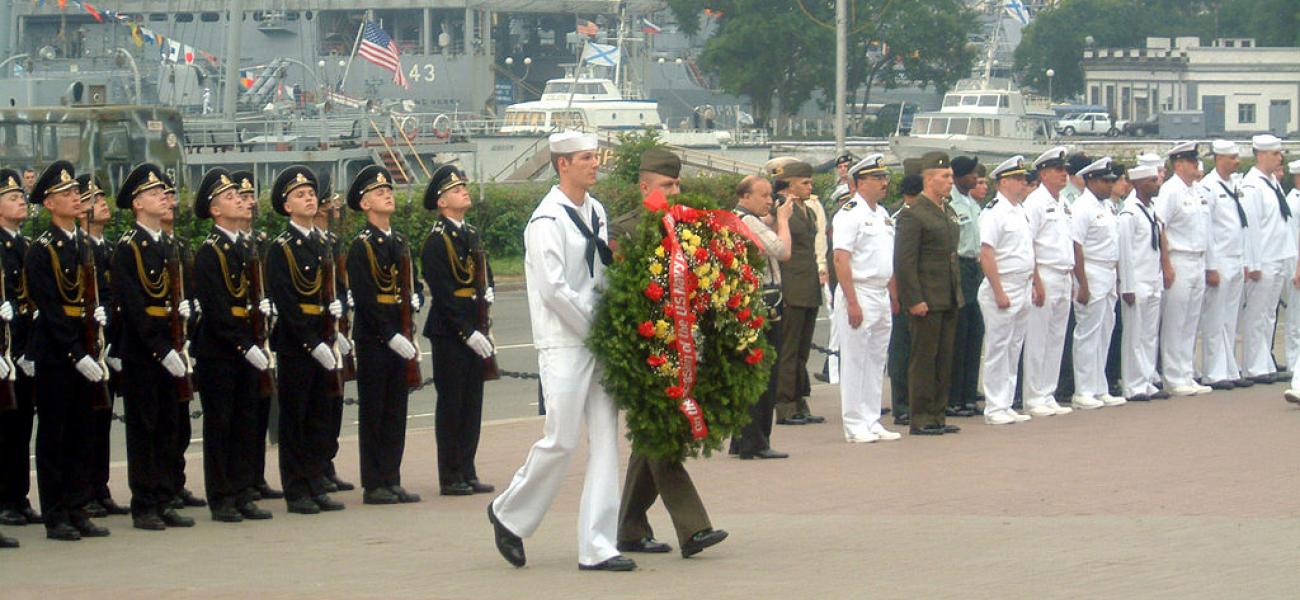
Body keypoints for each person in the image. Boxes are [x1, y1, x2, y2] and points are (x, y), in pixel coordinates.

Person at [488, 131, 634, 572]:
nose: (595, 164)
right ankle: (508, 512)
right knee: (561, 439)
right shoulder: (546, 221)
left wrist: (617, 321)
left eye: (595, 156)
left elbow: (603, 271)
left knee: (607, 440)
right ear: (562, 164)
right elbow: (553, 289)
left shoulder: (596, 211)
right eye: (586, 158)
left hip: (598, 337)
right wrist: (594, 329)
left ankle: (598, 545)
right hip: (565, 341)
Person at [615, 148, 728, 559]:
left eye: (678, 183)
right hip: (646, 349)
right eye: (667, 184)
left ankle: (628, 528)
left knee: (652, 436)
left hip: (683, 344)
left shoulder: (687, 228)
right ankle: (694, 527)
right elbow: (619, 296)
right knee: (660, 433)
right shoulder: (626, 231)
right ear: (645, 187)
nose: (675, 190)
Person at [26, 161, 110, 541]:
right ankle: (56, 513)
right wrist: (77, 354)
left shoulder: (83, 245)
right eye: (67, 194)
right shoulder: (42, 250)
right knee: (55, 435)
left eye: (77, 192)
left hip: (86, 350)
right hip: (58, 355)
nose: (76, 198)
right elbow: (52, 308)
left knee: (82, 432)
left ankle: (78, 507)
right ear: (48, 204)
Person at [110, 164, 195, 531]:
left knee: (168, 426)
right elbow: (134, 306)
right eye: (154, 193)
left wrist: (183, 337)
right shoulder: (129, 247)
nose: (163, 197)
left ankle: (164, 497)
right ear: (137, 203)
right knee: (145, 428)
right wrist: (162, 350)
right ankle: (144, 503)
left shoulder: (166, 245)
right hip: (144, 353)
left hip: (171, 348)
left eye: (164, 192)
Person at [190, 168, 275, 523]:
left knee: (245, 422)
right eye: (230, 198)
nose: (241, 201)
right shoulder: (211, 251)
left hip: (248, 347)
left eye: (240, 197)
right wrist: (244, 345)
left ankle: (242, 492)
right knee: (221, 425)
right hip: (221, 352)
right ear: (215, 211)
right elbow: (217, 309)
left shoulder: (246, 246)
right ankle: (222, 496)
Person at [264, 166, 348, 515]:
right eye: (300, 194)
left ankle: (316, 482)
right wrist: (311, 342)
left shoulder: (322, 243)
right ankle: (296, 488)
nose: (310, 197)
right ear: (286, 207)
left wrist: (336, 331)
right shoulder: (282, 248)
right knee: (295, 419)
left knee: (319, 415)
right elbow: (286, 301)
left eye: (311, 192)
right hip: (298, 344)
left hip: (324, 339)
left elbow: (329, 291)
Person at [343, 165, 422, 505]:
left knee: (395, 410)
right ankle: (374, 482)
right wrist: (390, 335)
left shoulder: (399, 241)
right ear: (364, 204)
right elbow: (365, 298)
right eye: (379, 192)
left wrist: (416, 294)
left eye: (388, 190)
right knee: (374, 412)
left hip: (400, 334)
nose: (387, 194)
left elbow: (410, 282)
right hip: (376, 339)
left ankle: (392, 476)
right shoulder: (362, 246)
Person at [421, 164, 495, 496]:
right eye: (455, 190)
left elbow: (482, 272)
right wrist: (467, 332)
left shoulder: (470, 233)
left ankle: (468, 468)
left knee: (471, 404)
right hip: (451, 333)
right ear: (441, 202)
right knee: (452, 404)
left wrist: (488, 290)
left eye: (463, 187)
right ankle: (450, 475)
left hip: (475, 327)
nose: (463, 191)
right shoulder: (437, 241)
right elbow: (444, 293)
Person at [832, 154, 901, 442]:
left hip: (880, 291)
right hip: (858, 290)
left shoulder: (882, 214)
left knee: (876, 359)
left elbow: (887, 259)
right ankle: (853, 423)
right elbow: (840, 259)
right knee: (855, 360)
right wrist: (852, 301)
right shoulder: (849, 213)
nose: (884, 182)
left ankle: (871, 419)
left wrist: (893, 296)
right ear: (860, 182)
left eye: (885, 177)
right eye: (877, 178)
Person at [894, 151, 962, 436]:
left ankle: (937, 414)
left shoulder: (946, 210)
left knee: (944, 358)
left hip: (947, 294)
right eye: (945, 177)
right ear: (929, 179)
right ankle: (920, 416)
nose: (950, 181)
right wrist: (914, 299)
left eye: (950, 176)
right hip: (927, 297)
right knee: (923, 358)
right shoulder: (914, 214)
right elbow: (904, 262)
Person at [75, 174, 129, 519]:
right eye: (94, 200)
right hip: (85, 347)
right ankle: (84, 492)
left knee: (102, 421)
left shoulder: (107, 248)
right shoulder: (80, 247)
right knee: (85, 425)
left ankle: (100, 487)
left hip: (109, 345)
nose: (102, 203)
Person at [231, 170, 285, 502]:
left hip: (264, 331)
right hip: (241, 336)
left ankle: (257, 476)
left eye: (252, 197)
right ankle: (242, 481)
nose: (249, 202)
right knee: (242, 415)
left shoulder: (261, 241)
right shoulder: (228, 244)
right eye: (243, 196)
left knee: (261, 408)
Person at [732, 175, 792, 459]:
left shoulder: (735, 217)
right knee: (764, 374)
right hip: (762, 305)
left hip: (745, 304)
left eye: (771, 195)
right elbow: (783, 251)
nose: (770, 201)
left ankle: (742, 439)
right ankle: (757, 441)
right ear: (745, 197)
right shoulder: (748, 221)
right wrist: (783, 220)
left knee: (750, 373)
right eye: (764, 195)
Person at [978, 156, 1037, 425]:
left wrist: (1035, 282)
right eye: (1018, 179)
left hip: (1022, 283)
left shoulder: (1020, 210)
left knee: (1014, 346)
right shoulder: (994, 211)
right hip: (1002, 285)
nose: (1023, 183)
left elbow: (1027, 251)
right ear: (1003, 182)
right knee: (998, 347)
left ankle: (1007, 401)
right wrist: (999, 290)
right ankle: (994, 406)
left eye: (1024, 179)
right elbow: (987, 253)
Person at [159, 177, 207, 511]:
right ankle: (158, 492)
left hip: (183, 338)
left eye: (171, 195)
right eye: (162, 195)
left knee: (179, 422)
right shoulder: (139, 246)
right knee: (157, 425)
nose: (170, 201)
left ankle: (175, 484)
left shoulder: (179, 244)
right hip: (158, 344)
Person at [1021, 147, 1076, 418]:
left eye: (1065, 170)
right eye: (1058, 170)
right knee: (1038, 338)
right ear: (1043, 173)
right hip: (1045, 273)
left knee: (1056, 338)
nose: (1064, 174)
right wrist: (1036, 281)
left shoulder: (1063, 202)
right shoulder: (1035, 202)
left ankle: (1048, 392)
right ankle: (1033, 396)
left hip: (1064, 274)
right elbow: (1028, 244)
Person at [771, 159, 826, 425]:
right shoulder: (781, 210)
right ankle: (785, 404)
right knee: (789, 349)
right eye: (804, 182)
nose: (809, 186)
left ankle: (799, 399)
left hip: (808, 285)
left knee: (803, 349)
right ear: (789, 184)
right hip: (791, 286)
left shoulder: (809, 210)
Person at [1156, 142, 1212, 396]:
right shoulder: (1170, 190)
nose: (1195, 165)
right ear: (1178, 164)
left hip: (1198, 258)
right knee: (1175, 321)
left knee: (1191, 321)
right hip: (1179, 258)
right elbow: (1161, 227)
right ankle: (1173, 376)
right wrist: (1166, 264)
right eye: (1191, 161)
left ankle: (1187, 373)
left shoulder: (1196, 190)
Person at [312, 177, 356, 495]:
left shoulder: (332, 242)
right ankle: (313, 470)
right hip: (315, 336)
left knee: (334, 403)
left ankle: (326, 464)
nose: (336, 208)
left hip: (337, 332)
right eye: (331, 202)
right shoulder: (305, 243)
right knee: (315, 407)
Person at [1069, 157, 1125, 410]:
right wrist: (1082, 283)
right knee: (1088, 334)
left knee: (1105, 331)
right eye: (1105, 181)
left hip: (1107, 272)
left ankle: (1099, 386)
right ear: (1090, 180)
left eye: (1111, 181)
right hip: (1091, 271)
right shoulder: (1083, 207)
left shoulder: (1106, 207)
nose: (1109, 185)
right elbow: (1076, 246)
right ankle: (1083, 390)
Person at [1239, 134, 1291, 384]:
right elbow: (1252, 228)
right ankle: (1253, 365)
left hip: (1278, 255)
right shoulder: (1252, 186)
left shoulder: (1271, 182)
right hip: (1264, 258)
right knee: (1256, 314)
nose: (1279, 158)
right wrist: (1254, 263)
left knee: (1269, 314)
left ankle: (1264, 361)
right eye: (1275, 154)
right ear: (1260, 155)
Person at [1196, 141, 1248, 390]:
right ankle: (1213, 372)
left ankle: (1228, 367)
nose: (1236, 161)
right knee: (1214, 318)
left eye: (1237, 157)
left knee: (1230, 319)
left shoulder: (1231, 184)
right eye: (1232, 157)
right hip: (1220, 258)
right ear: (1219, 159)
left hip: (1236, 257)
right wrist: (1211, 266)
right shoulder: (1208, 186)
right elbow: (1207, 229)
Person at [1118, 164, 1172, 401]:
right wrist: (1127, 286)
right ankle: (1133, 384)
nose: (1156, 183)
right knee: (1135, 336)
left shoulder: (1149, 209)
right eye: (1151, 180)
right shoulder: (1129, 212)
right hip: (1137, 281)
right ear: (1139, 184)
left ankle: (1147, 379)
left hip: (1152, 279)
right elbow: (1125, 252)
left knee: (1149, 335)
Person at [0, 169, 33, 547]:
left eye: (21, 196)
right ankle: (5, 500)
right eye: (11, 198)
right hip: (5, 348)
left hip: (23, 349)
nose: (21, 200)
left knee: (21, 426)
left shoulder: (25, 246)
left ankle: (18, 496)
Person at [886, 170, 923, 425]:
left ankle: (917, 402)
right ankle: (901, 405)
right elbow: (897, 259)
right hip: (902, 289)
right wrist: (896, 295)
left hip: (921, 288)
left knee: (918, 350)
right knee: (901, 350)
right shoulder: (900, 217)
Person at [947, 156, 983, 417]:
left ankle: (969, 395)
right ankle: (954, 397)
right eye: (971, 174)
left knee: (974, 333)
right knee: (957, 336)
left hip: (974, 267)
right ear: (959, 176)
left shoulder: (972, 203)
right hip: (957, 265)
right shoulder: (950, 201)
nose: (975, 178)